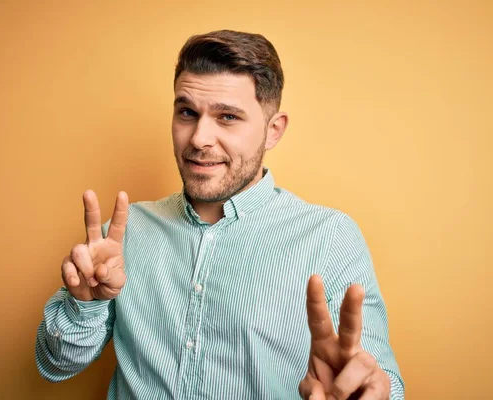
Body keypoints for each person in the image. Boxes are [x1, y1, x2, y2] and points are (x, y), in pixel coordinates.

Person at [35, 29, 404, 400]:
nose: (198, 138)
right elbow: (54, 365)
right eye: (187, 112)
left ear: (273, 131)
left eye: (227, 117)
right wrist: (86, 303)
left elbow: (381, 379)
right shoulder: (123, 234)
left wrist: (364, 391)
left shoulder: (329, 237)